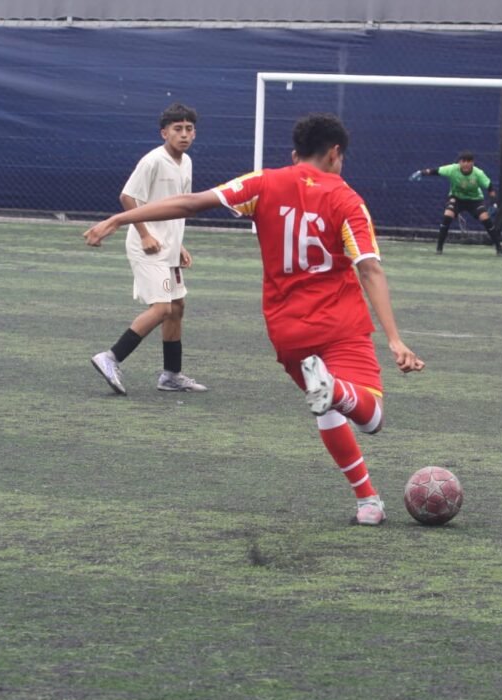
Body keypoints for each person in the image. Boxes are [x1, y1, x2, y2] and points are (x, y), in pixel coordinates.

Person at [84, 113, 424, 525]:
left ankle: (368, 501)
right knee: (370, 418)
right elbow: (368, 267)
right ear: (335, 154)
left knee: (327, 412)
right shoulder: (347, 199)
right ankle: (338, 392)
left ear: (296, 154)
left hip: (286, 331)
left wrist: (120, 218)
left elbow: (192, 202)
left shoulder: (264, 183)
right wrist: (394, 338)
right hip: (339, 325)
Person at [90, 103, 207, 395]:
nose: (184, 134)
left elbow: (179, 206)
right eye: (177, 129)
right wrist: (144, 235)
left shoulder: (187, 162)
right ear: (164, 132)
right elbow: (128, 197)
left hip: (169, 247)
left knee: (177, 307)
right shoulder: (153, 160)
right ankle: (110, 357)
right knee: (162, 308)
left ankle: (171, 375)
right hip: (148, 248)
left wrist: (179, 244)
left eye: (189, 129)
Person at [410, 151, 502, 256]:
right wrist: (421, 172)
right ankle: (439, 248)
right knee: (447, 215)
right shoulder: (452, 169)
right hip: (457, 198)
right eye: (464, 161)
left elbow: (490, 187)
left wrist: (494, 203)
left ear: (473, 163)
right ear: (460, 162)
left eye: (469, 162)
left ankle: (499, 248)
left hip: (475, 200)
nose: (466, 164)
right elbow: (435, 171)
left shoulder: (478, 173)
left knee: (485, 218)